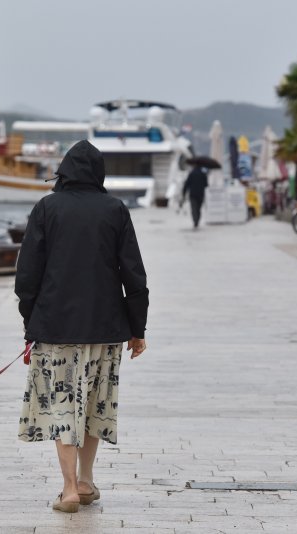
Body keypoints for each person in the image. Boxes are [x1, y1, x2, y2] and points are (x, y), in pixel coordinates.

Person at [15, 140, 149, 513]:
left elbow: (27, 275)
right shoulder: (115, 210)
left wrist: (31, 321)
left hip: (56, 330)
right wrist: (138, 329)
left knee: (61, 407)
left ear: (64, 172)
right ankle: (86, 481)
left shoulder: (47, 208)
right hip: (107, 330)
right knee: (93, 406)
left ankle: (70, 488)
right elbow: (133, 275)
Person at [182, 164, 209, 228]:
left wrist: (184, 192)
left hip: (193, 194)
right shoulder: (203, 174)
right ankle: (197, 220)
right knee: (198, 208)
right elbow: (206, 185)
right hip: (200, 194)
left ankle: (195, 221)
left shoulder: (191, 174)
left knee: (194, 208)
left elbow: (187, 184)